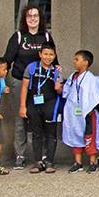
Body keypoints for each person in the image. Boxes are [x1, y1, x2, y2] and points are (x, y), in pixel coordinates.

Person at [3, 4, 54, 169]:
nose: (33, 19)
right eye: (29, 16)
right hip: (20, 81)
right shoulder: (18, 36)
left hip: (42, 83)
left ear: (40, 19)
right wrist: (2, 81)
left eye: (36, 16)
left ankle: (44, 155)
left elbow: (54, 58)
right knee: (21, 117)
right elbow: (7, 60)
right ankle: (20, 154)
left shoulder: (46, 36)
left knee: (43, 117)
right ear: (25, 19)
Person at [60, 50, 99, 173]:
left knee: (89, 135)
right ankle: (78, 162)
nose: (74, 62)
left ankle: (93, 162)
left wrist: (91, 108)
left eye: (77, 59)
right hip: (74, 112)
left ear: (85, 62)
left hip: (87, 113)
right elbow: (66, 92)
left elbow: (96, 95)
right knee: (75, 133)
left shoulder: (92, 79)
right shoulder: (73, 76)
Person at [20, 42, 61, 174]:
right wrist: (22, 106)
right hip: (33, 103)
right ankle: (37, 161)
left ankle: (49, 161)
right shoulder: (31, 68)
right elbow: (25, 87)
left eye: (51, 55)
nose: (48, 57)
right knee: (36, 133)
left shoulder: (56, 70)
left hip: (51, 104)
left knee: (51, 133)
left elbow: (60, 91)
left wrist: (59, 86)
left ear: (54, 56)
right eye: (45, 54)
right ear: (40, 54)